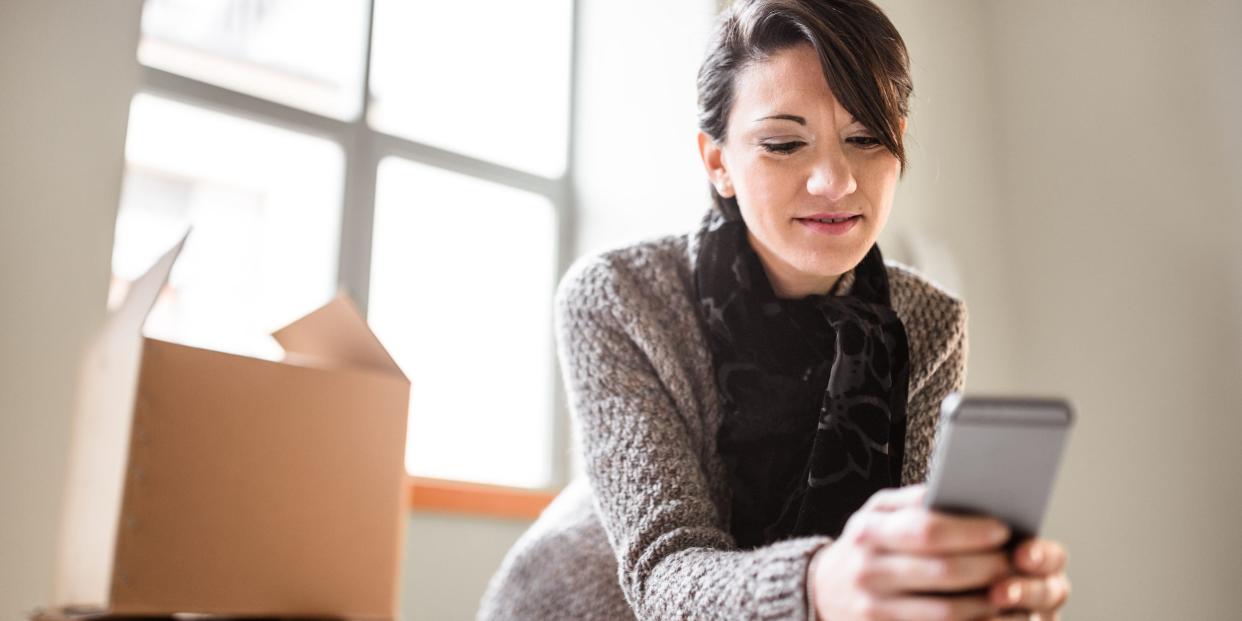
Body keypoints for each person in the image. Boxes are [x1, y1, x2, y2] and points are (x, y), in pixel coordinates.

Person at [478, 0, 1070, 619]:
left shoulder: (927, 322)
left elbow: (892, 567)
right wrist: (817, 585)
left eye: (866, 137)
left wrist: (972, 588)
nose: (834, 181)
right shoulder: (620, 297)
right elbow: (662, 573)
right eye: (785, 143)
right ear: (718, 162)